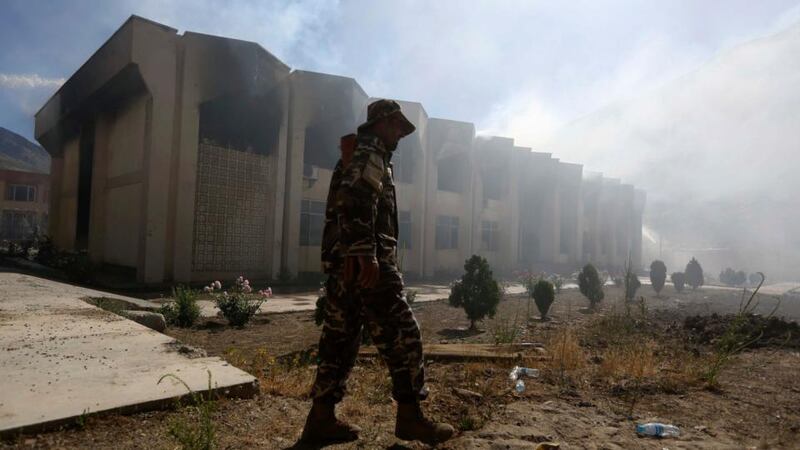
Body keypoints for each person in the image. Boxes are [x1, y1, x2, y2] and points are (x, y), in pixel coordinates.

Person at [301, 100, 454, 445]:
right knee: (404, 335)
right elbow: (356, 197)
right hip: (367, 264)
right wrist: (365, 252)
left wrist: (353, 253)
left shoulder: (359, 151)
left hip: (346, 264)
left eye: (402, 126)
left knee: (340, 340)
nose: (400, 132)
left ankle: (320, 420)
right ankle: (411, 417)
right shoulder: (371, 150)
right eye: (396, 125)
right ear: (381, 123)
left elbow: (347, 197)